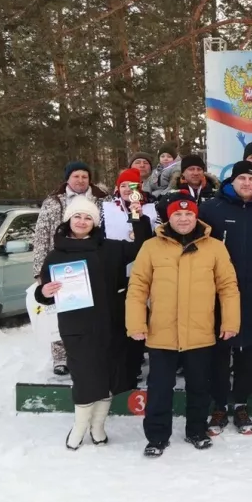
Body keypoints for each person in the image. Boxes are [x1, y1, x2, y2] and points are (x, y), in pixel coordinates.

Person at [126, 192, 241, 457]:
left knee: (200, 386)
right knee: (160, 388)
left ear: (196, 216)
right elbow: (137, 288)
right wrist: (136, 323)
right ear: (170, 217)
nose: (184, 218)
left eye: (189, 214)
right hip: (161, 332)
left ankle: (197, 430)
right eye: (178, 214)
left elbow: (228, 287)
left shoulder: (214, 247)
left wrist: (230, 321)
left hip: (200, 331)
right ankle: (156, 436)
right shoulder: (151, 247)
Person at [34, 195, 153, 450]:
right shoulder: (56, 254)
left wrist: (137, 217)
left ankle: (98, 426)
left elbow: (143, 246)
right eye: (77, 216)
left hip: (110, 324)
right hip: (77, 328)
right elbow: (41, 291)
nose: (82, 221)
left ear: (95, 223)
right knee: (85, 377)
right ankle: (80, 426)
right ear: (68, 219)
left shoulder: (110, 248)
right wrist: (44, 292)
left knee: (108, 376)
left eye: (88, 217)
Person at [198, 161, 252, 436]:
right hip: (218, 294)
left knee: (246, 351)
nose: (247, 183)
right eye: (242, 178)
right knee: (220, 351)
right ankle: (219, 406)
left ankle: (241, 404)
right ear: (231, 181)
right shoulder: (211, 209)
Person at [32, 161, 108, 376]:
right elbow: (41, 235)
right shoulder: (54, 202)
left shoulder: (101, 200)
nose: (81, 180)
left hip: (90, 260)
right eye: (76, 176)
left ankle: (91, 353)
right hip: (60, 262)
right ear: (67, 179)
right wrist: (40, 271)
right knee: (59, 311)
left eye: (85, 176)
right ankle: (60, 356)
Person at [100, 168, 159, 384]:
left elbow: (157, 237)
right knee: (118, 320)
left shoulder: (151, 209)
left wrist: (138, 216)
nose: (127, 190)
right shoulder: (106, 209)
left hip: (145, 272)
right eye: (123, 185)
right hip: (116, 273)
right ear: (117, 188)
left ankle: (137, 363)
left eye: (132, 186)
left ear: (139, 189)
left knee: (142, 318)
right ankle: (120, 367)